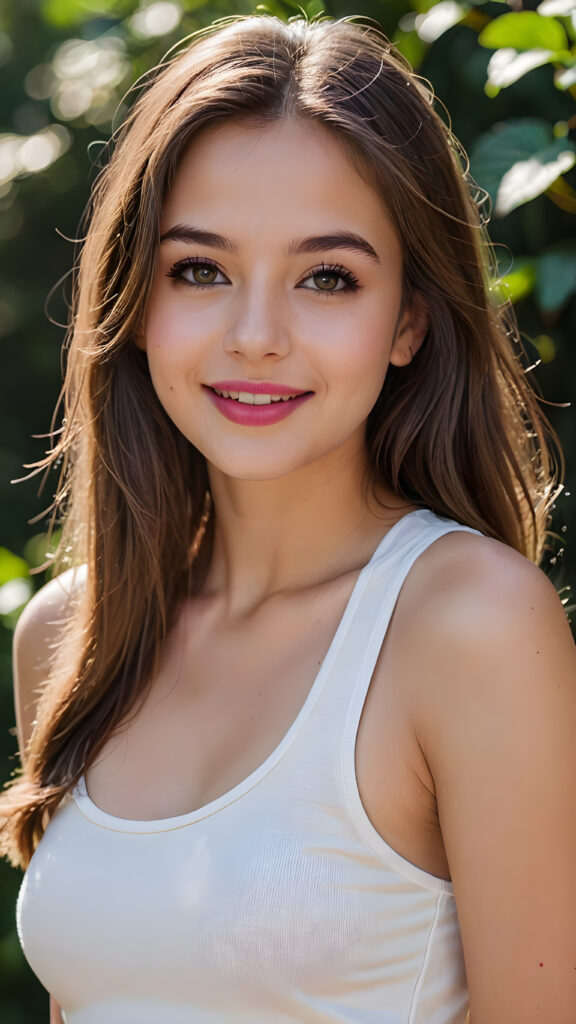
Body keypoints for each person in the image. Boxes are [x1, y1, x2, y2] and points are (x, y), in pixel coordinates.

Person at [2, 13, 575, 1024]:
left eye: (327, 278)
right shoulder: (70, 635)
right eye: (201, 269)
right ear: (138, 301)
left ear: (409, 320)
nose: (255, 335)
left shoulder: (470, 626)